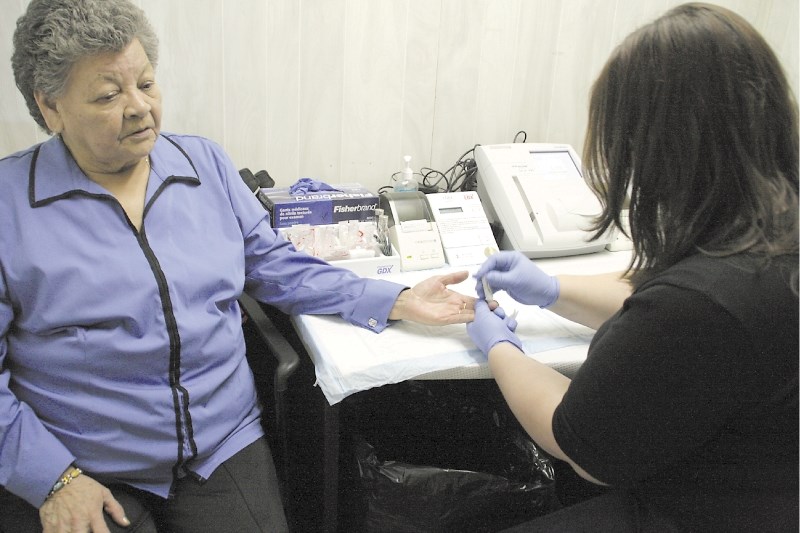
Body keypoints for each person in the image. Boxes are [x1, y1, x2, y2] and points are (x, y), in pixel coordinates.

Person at [0, 1, 476, 532]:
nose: (139, 107)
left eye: (148, 84)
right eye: (109, 95)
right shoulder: (9, 206)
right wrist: (51, 477)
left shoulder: (203, 166)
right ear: (50, 107)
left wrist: (394, 299)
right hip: (83, 461)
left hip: (219, 444)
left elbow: (274, 265)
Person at [467, 3, 798, 532]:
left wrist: (498, 346)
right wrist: (553, 288)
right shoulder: (770, 237)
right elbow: (678, 313)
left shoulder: (695, 304)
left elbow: (576, 440)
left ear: (652, 148)